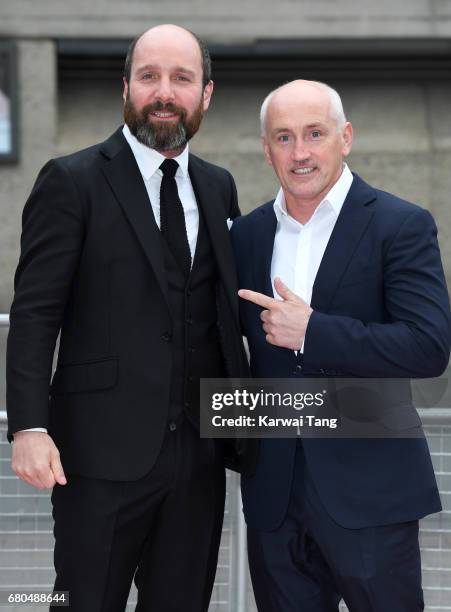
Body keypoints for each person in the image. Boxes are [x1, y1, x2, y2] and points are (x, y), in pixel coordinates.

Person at [6, 24, 251, 612]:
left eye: (181, 78)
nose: (164, 91)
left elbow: (221, 314)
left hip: (198, 459)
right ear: (126, 88)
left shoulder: (219, 188)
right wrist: (28, 427)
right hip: (97, 459)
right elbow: (36, 313)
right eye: (149, 77)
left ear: (205, 94)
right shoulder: (72, 181)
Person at [230, 80, 451, 611]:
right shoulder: (247, 236)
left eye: (314, 134)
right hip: (274, 498)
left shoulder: (400, 225)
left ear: (345, 137)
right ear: (266, 149)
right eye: (283, 138)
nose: (300, 152)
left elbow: (429, 346)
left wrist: (313, 332)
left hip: (371, 494)